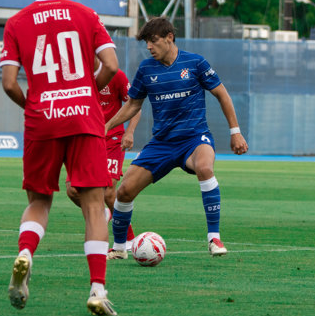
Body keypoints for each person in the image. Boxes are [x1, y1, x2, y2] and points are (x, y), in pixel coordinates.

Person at [0, 0, 119, 316]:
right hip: (84, 117)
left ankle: (25, 253)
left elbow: (9, 83)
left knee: (39, 202)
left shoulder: (16, 23)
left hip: (42, 119)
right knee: (94, 206)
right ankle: (97, 290)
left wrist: (34, 105)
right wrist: (86, 94)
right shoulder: (86, 15)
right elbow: (111, 65)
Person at [103, 16, 249, 259]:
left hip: (194, 138)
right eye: (146, 43)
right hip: (161, 143)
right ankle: (120, 248)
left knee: (205, 167)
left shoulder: (195, 63)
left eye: (153, 41)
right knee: (124, 191)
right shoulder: (146, 69)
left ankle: (214, 238)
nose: (149, 47)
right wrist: (107, 126)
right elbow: (133, 105)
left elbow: (222, 94)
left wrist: (235, 132)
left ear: (169, 37)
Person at [66, 60, 141, 249]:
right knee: (73, 190)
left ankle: (128, 238)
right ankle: (103, 214)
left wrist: (129, 132)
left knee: (108, 192)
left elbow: (134, 105)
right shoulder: (76, 76)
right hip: (84, 139)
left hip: (111, 138)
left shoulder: (116, 75)